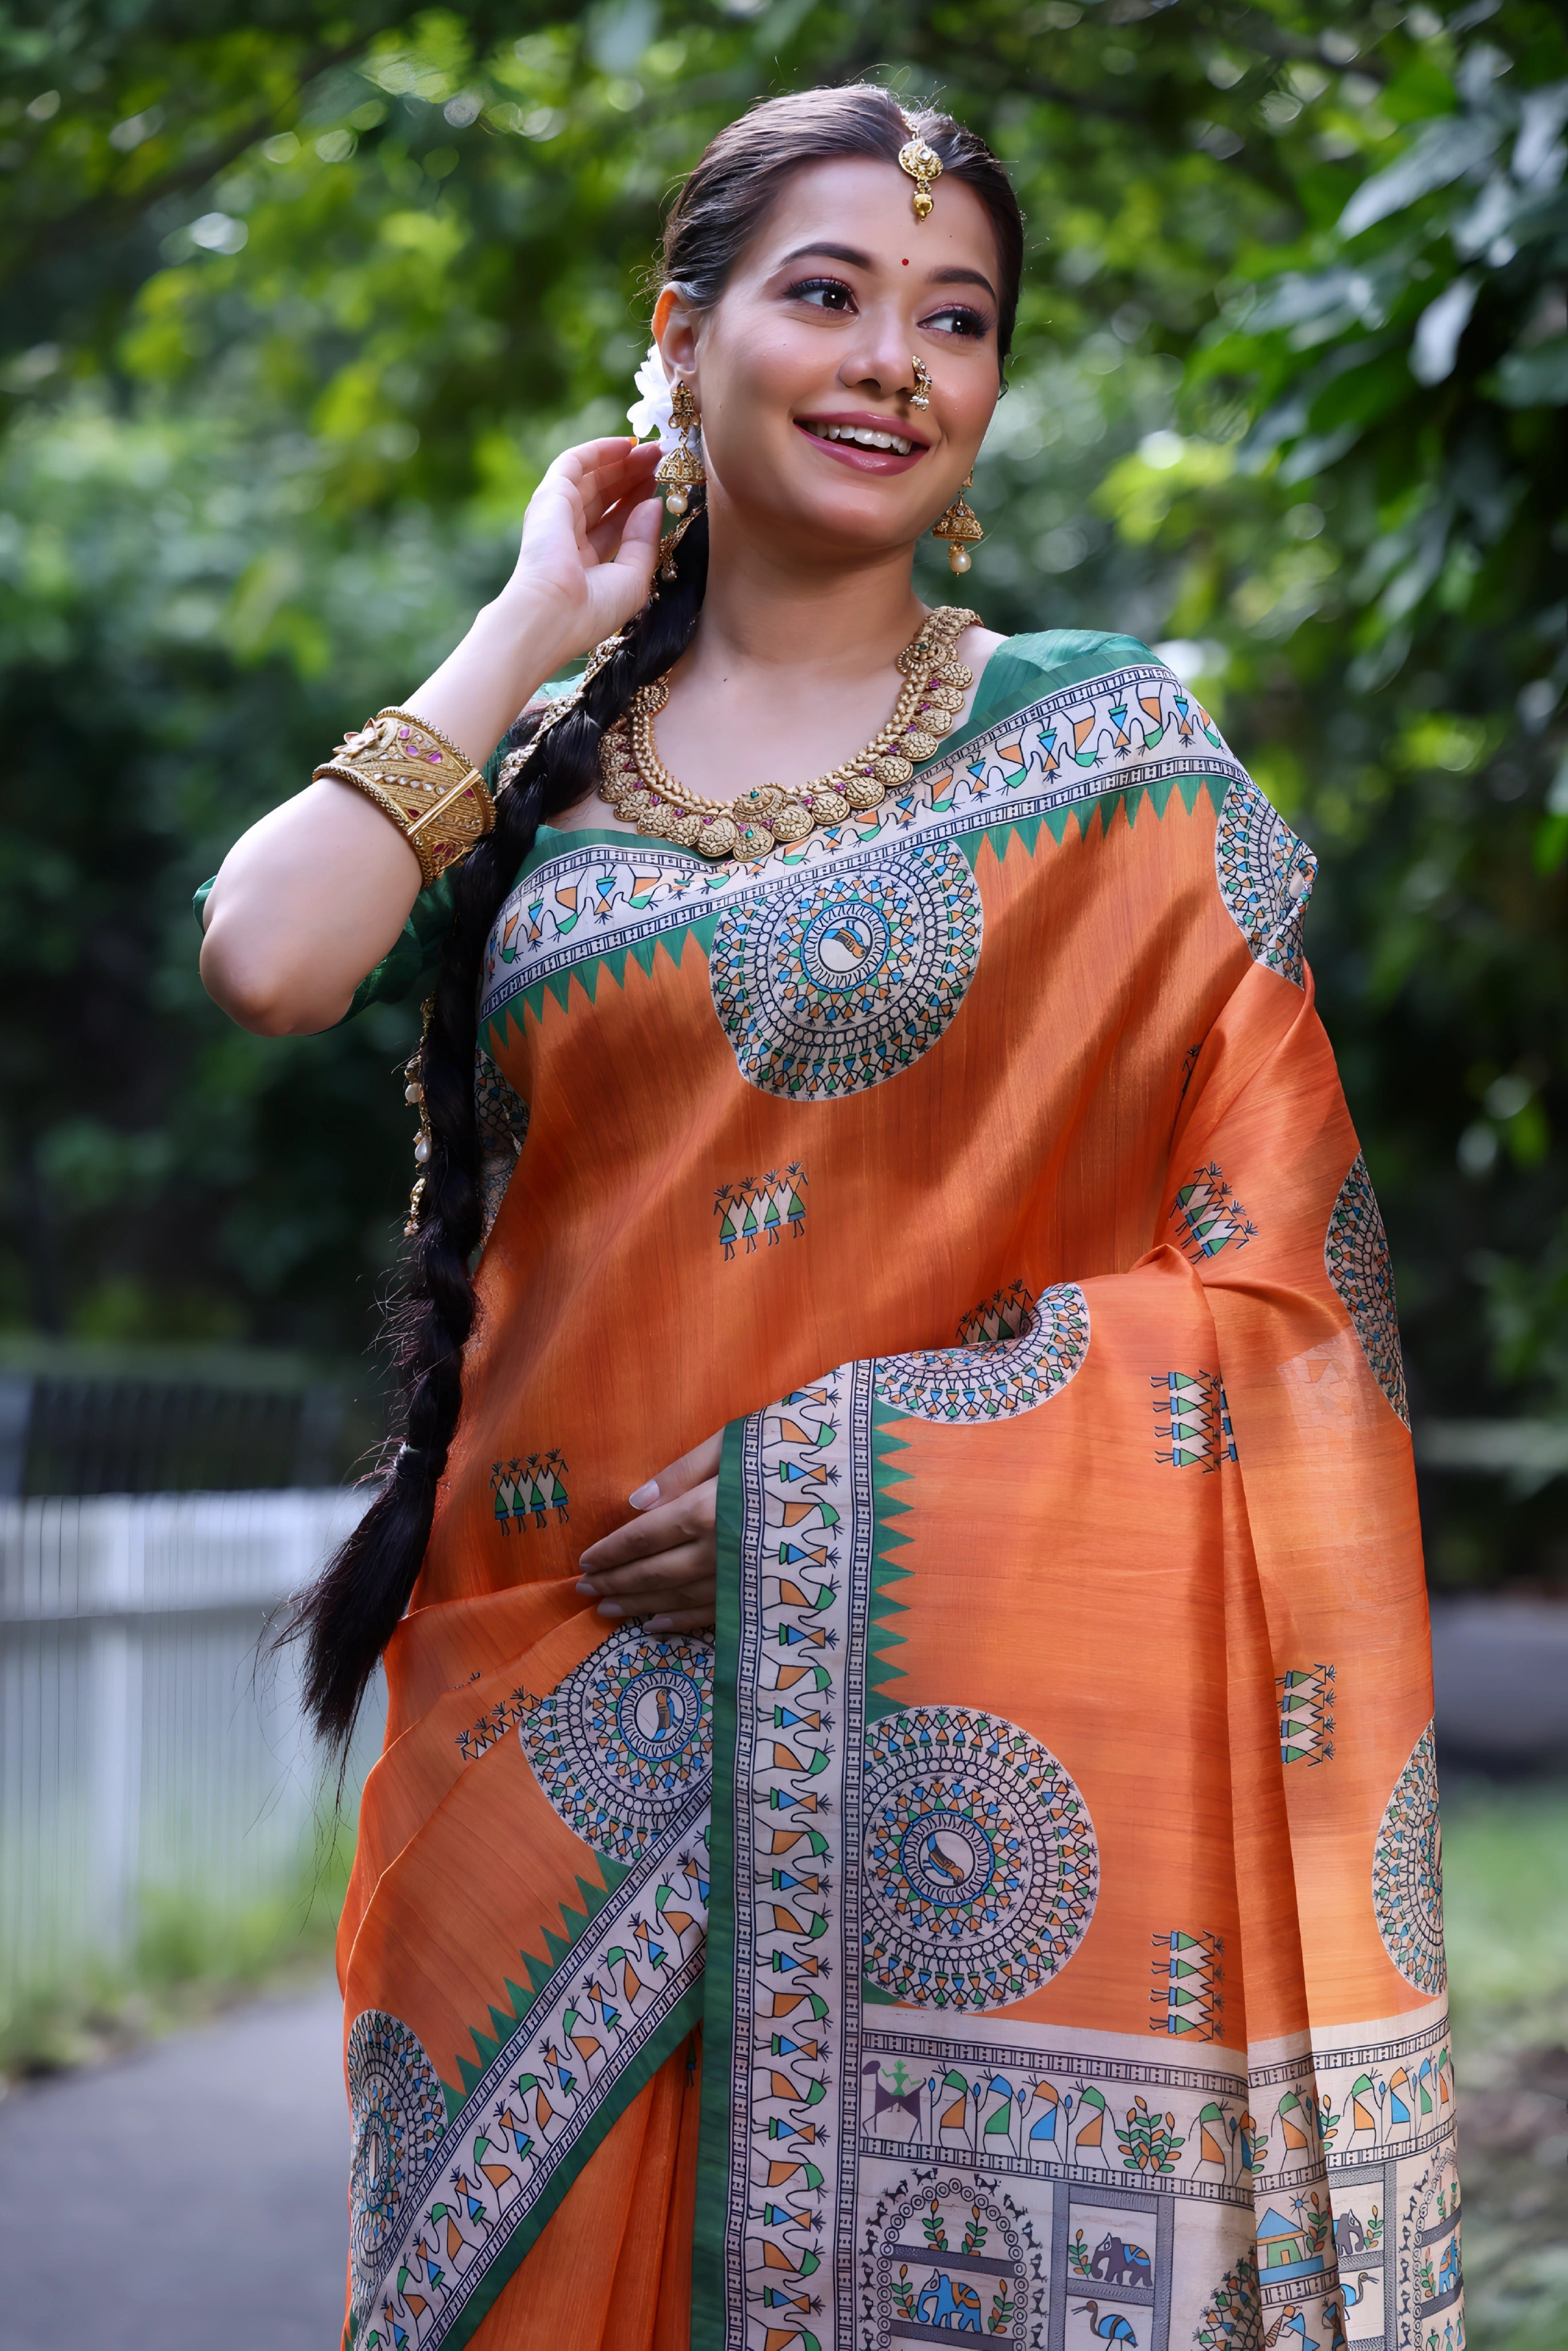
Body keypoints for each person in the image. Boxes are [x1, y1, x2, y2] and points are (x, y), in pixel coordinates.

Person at [200, 85, 1459, 2351]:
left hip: (951, 1786)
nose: (895, 358)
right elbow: (270, 959)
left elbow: (1284, 1309)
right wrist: (520, 622)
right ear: (676, 348)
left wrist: (858, 1485)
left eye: (953, 318)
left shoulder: (1113, 770)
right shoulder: (550, 779)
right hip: (542, 1760)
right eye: (826, 294)